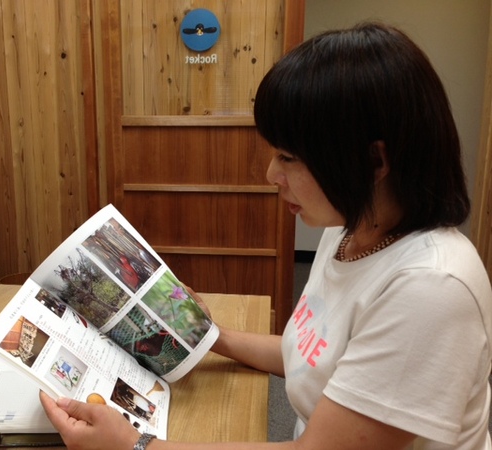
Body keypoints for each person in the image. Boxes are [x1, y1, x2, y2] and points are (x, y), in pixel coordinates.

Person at [39, 22, 492, 449]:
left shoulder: (431, 287)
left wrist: (135, 445)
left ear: (375, 162)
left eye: (289, 157)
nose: (272, 174)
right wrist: (209, 336)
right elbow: (312, 359)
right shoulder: (350, 230)